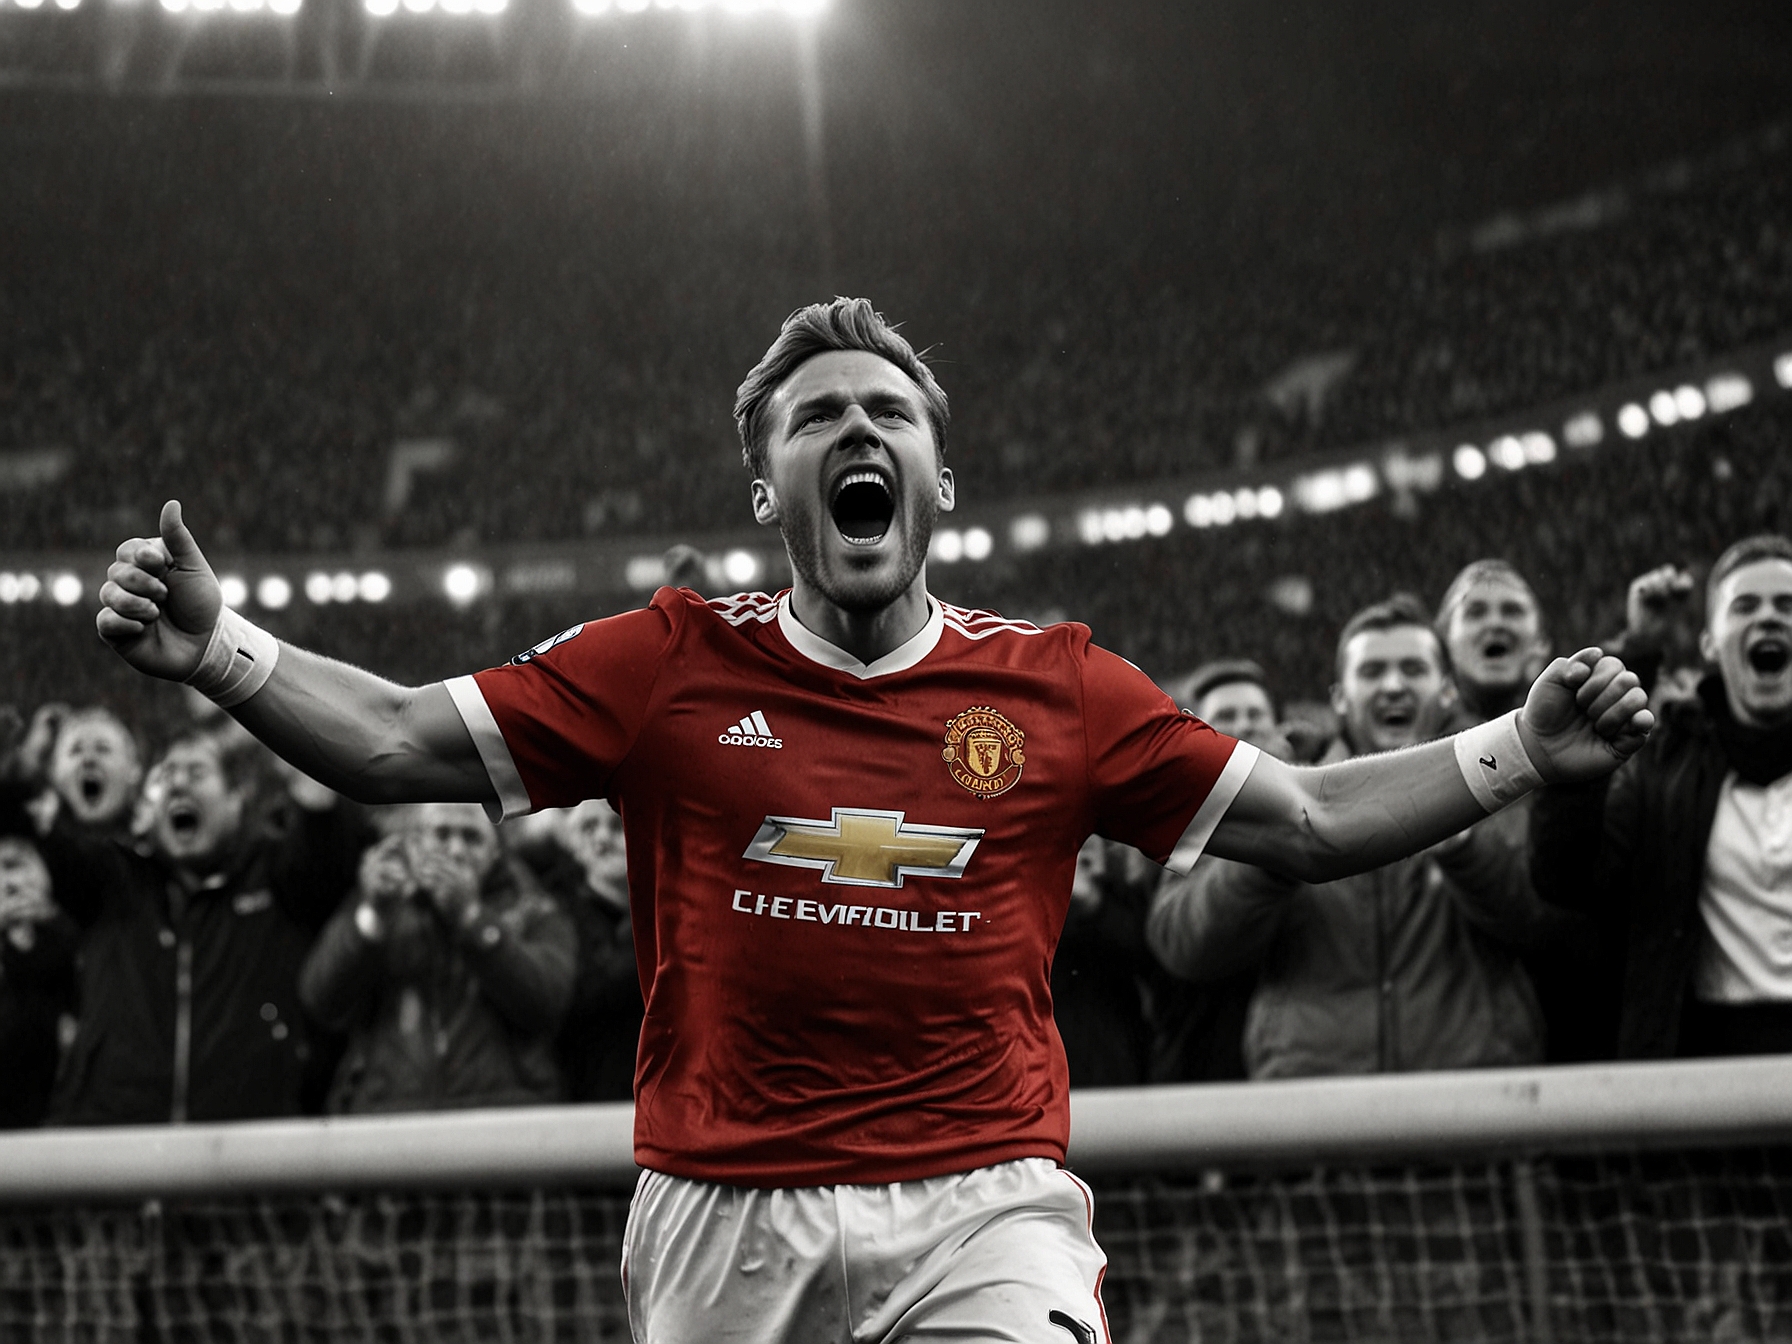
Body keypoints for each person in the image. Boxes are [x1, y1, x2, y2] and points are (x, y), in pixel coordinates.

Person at [96, 298, 1652, 1342]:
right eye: (818, 416)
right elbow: (387, 741)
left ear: (938, 478)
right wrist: (223, 652)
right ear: (765, 490)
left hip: (983, 1204)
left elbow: (1304, 816)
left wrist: (1519, 745)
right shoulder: (664, 665)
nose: (858, 431)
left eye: (889, 412)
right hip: (724, 1216)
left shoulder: (1055, 687)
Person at [1149, 595, 1550, 1077]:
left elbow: (1548, 922)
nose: (1394, 685)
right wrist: (1278, 856)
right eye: (1373, 671)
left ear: (1447, 691)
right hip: (1315, 1099)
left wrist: (1465, 849)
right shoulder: (1275, 795)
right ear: (1339, 699)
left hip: (1471, 1092)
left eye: (1413, 669)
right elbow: (1182, 943)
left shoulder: (1499, 783)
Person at [2, 732, 360, 1125]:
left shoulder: (277, 877)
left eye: (196, 772)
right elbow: (46, 833)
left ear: (235, 800)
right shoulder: (113, 882)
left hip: (251, 1144)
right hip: (116, 1143)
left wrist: (311, 784)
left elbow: (325, 853)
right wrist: (21, 770)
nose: (178, 783)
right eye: (167, 774)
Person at [1532, 535, 1792, 1058]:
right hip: (1708, 1070)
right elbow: (1564, 876)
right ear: (1709, 645)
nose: (1768, 618)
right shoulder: (1663, 768)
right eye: (1745, 606)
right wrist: (1635, 657)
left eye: (1786, 605)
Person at [1435, 559, 1614, 1062]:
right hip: (1457, 1048)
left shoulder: (1596, 751)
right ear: (1444, 645)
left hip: (1580, 1032)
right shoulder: (1410, 757)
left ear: (1540, 645)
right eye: (1476, 612)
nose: (1495, 622)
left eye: (1512, 610)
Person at [299, 801, 575, 1113]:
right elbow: (321, 999)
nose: (456, 851)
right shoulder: (386, 902)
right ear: (415, 844)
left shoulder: (533, 909)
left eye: (471, 837)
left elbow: (546, 1002)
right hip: (391, 1114)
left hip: (503, 1114)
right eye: (442, 834)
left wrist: (471, 918)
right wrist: (372, 916)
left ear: (496, 851)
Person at [544, 796, 645, 1104]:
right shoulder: (554, 912)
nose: (602, 838)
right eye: (588, 827)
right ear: (572, 844)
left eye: (617, 825)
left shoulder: (672, 907)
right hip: (588, 1097)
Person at [0, 832, 78, 1128]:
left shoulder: (73, 938)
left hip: (58, 1116)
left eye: (16, 866)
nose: (11, 884)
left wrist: (52, 918)